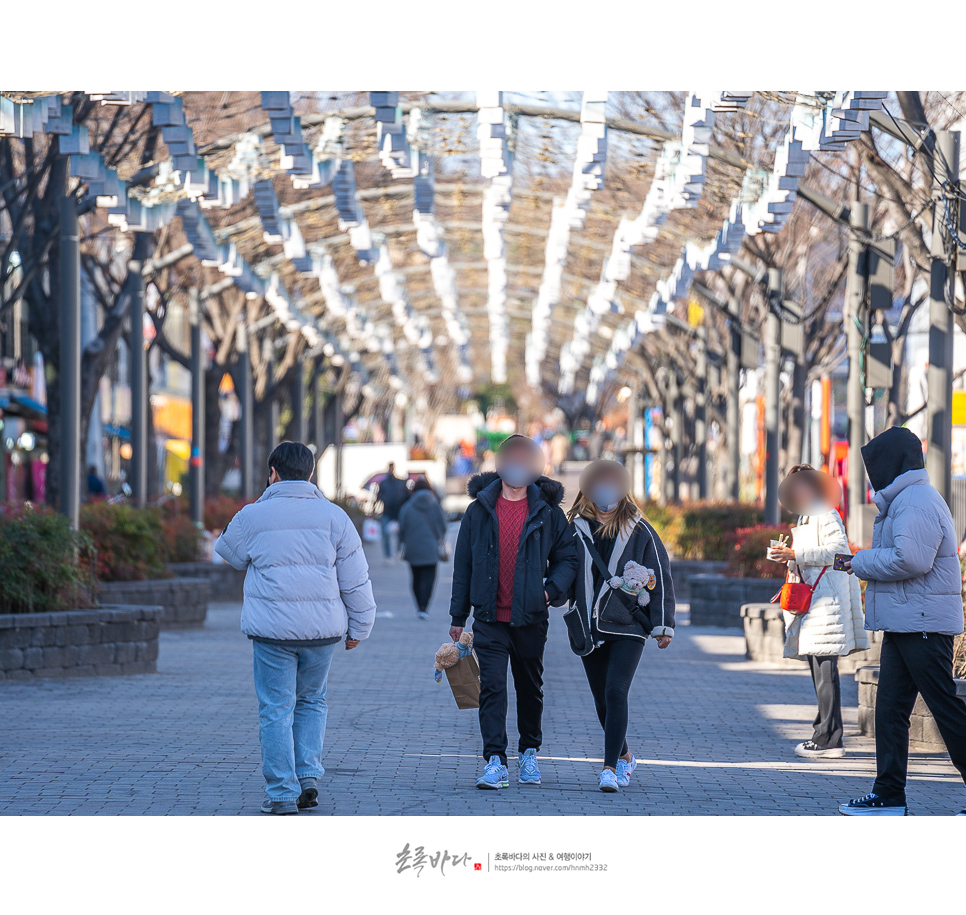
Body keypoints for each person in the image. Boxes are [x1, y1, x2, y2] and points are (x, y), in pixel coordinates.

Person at [215, 441, 376, 815]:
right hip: (322, 633)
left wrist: (257, 506)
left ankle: (283, 793)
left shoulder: (252, 515)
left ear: (272, 473)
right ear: (311, 474)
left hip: (271, 633)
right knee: (312, 701)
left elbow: (230, 553)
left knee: (275, 707)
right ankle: (308, 778)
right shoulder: (336, 517)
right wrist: (360, 627)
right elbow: (355, 580)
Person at [837, 427, 966, 816]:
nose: (872, 471)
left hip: (923, 626)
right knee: (890, 710)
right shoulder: (906, 499)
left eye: (876, 462)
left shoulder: (916, 501)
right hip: (908, 623)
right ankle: (888, 795)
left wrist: (856, 562)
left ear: (893, 462)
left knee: (945, 708)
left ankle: (889, 792)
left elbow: (910, 560)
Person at [449, 434, 578, 790]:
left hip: (530, 617)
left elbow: (568, 557)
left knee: (529, 687)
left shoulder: (548, 513)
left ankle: (529, 752)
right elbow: (464, 565)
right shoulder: (479, 511)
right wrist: (458, 618)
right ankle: (495, 759)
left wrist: (550, 591)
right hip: (489, 617)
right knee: (491, 687)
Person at [563, 460, 675, 793]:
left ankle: (609, 769)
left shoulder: (640, 529)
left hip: (628, 624)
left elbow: (662, 575)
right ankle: (624, 754)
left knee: (616, 692)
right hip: (588, 623)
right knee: (601, 700)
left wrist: (663, 625)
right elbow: (560, 570)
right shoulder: (573, 528)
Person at [770, 464, 870, 760]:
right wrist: (789, 559)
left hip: (827, 604)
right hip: (817, 603)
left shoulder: (824, 512)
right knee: (819, 671)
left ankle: (830, 739)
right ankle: (823, 732)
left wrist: (795, 554)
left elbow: (840, 553)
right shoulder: (808, 514)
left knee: (825, 672)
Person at [397, 477, 448, 619]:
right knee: (429, 578)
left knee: (416, 577)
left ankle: (419, 606)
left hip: (413, 548)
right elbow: (443, 525)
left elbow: (402, 528)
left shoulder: (407, 507)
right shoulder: (436, 505)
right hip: (431, 548)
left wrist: (402, 542)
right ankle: (425, 607)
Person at [376, 462, 410, 563]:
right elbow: (378, 497)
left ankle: (398, 551)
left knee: (400, 535)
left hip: (398, 513)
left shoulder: (400, 483)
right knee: (386, 535)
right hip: (387, 512)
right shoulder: (384, 483)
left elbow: (406, 497)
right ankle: (388, 556)